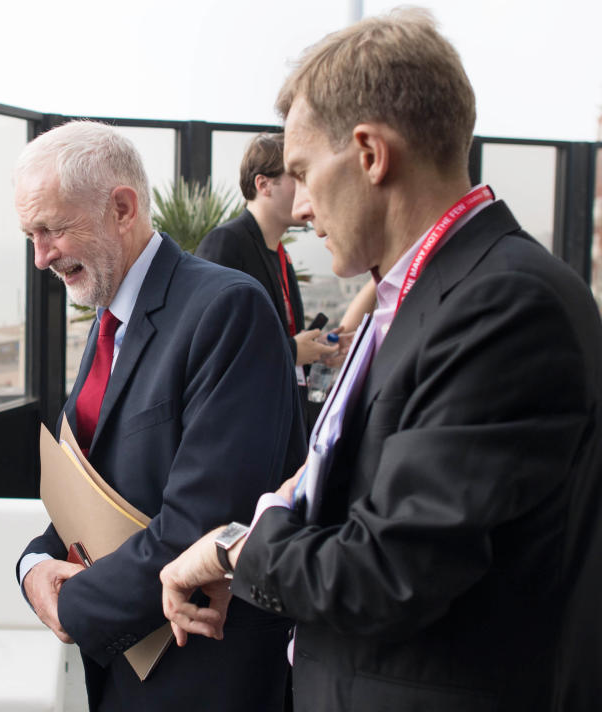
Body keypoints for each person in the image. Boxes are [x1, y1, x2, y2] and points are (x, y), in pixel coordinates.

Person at [160, 9, 602, 711]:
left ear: (369, 154)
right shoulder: (426, 290)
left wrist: (230, 551)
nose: (300, 206)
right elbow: (343, 476)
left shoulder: (506, 305)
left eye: (303, 172)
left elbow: (389, 570)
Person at [14, 120, 306, 711]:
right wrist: (34, 566)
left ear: (122, 207)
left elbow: (202, 522)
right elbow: (90, 490)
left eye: (51, 230)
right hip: (128, 672)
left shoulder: (226, 309)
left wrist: (70, 605)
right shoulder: (108, 319)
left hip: (203, 675)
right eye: (30, 235)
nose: (41, 256)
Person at [195, 131, 338, 427]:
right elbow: (211, 347)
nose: (306, 191)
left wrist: (314, 348)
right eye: (296, 179)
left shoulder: (279, 253)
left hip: (279, 416)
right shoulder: (226, 243)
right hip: (243, 425)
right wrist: (294, 350)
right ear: (263, 184)